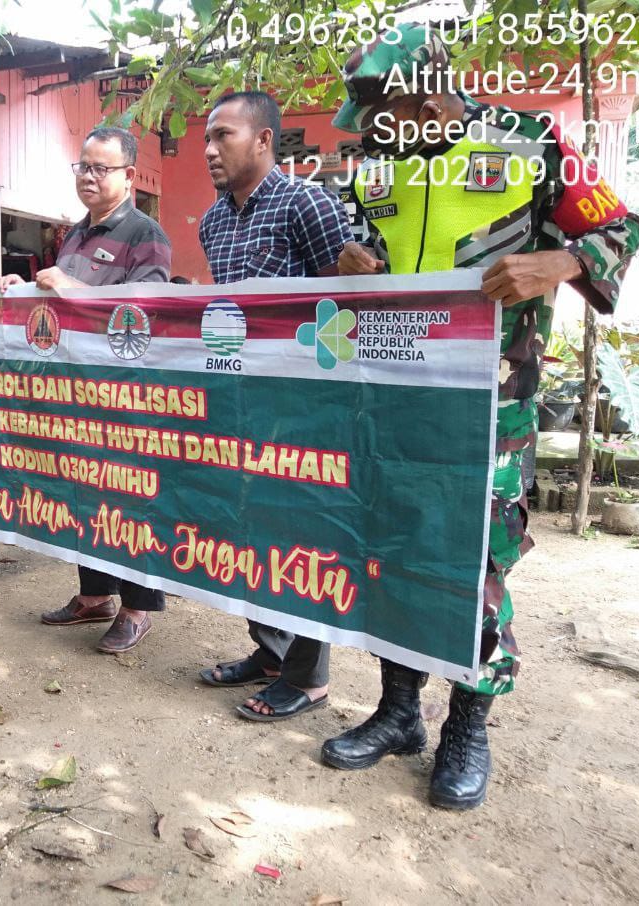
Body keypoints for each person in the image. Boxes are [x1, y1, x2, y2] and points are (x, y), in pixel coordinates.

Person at [324, 26, 639, 809]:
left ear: (429, 95)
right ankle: (399, 711)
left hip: (492, 403)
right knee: (390, 544)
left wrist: (561, 262)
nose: (368, 130)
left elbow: (620, 229)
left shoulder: (531, 143)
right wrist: (350, 259)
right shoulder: (374, 165)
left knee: (475, 559)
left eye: (381, 110)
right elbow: (364, 252)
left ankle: (468, 721)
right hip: (395, 397)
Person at [195, 91, 353, 721]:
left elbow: (340, 307)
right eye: (207, 138)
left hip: (303, 403)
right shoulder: (212, 222)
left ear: (263, 140)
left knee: (300, 529)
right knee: (251, 526)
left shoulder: (306, 202)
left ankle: (309, 676)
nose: (209, 149)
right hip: (242, 399)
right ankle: (270, 651)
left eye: (223, 136)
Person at [1, 126, 173, 653]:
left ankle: (138, 607)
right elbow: (61, 308)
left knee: (129, 495)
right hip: (76, 394)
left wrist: (65, 286)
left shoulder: (147, 234)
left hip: (125, 396)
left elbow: (148, 312)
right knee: (82, 491)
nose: (90, 177)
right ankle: (94, 595)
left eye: (101, 168)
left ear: (128, 176)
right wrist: (25, 291)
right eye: (83, 166)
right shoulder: (75, 234)